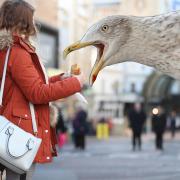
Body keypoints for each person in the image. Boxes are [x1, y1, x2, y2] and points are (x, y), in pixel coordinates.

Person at [0, 1, 84, 180]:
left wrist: (60, 79)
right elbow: (37, 93)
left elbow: (27, 86)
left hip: (9, 127)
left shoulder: (6, 50)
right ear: (23, 21)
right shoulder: (18, 52)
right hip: (18, 135)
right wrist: (76, 83)